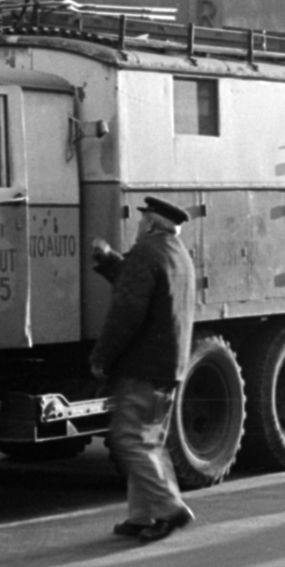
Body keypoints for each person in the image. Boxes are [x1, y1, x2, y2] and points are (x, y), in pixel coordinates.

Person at [89, 196, 198, 542]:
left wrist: (102, 357)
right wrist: (108, 262)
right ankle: (141, 516)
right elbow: (139, 281)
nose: (136, 227)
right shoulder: (177, 255)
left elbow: (126, 314)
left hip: (143, 366)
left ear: (151, 224)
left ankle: (170, 508)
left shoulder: (146, 254)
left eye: (140, 222)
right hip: (169, 367)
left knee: (131, 439)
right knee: (148, 442)